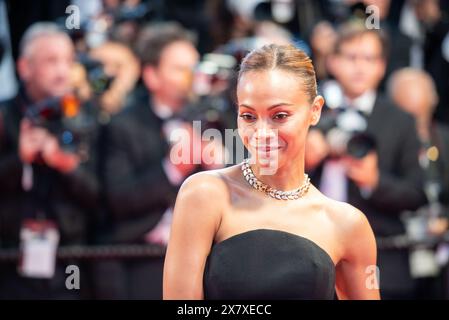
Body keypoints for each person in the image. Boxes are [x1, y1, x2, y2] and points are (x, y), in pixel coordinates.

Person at [163, 44, 380, 300]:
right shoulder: (204, 194)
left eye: (279, 116)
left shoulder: (347, 224)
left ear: (315, 111)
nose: (262, 133)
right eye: (248, 116)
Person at [305, 22, 426, 299]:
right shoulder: (310, 112)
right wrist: (305, 161)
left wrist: (374, 181)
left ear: (382, 66)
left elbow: (417, 194)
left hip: (382, 259)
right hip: (313, 254)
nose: (359, 67)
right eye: (351, 57)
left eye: (369, 59)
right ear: (333, 61)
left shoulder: (401, 121)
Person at [0, 22, 99, 299]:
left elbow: (101, 196)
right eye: (51, 61)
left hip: (71, 262)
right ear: (24, 67)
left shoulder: (84, 116)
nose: (62, 71)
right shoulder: (6, 116)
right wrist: (18, 160)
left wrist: (66, 165)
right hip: (8, 262)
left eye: (68, 61)